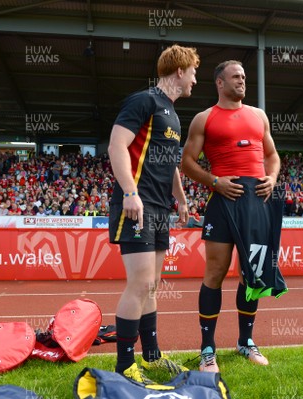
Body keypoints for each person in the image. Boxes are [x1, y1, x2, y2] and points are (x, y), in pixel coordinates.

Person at [181, 60, 287, 372]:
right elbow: (187, 162)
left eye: (243, 76)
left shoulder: (258, 116)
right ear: (219, 82)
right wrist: (215, 181)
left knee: (252, 272)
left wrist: (273, 177)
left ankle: (246, 342)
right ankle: (207, 350)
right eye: (235, 77)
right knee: (215, 272)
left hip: (258, 200)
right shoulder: (204, 119)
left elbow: (272, 155)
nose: (242, 81)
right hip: (223, 200)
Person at [108, 44, 199, 383]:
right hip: (137, 204)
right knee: (141, 283)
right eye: (193, 73)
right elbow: (116, 145)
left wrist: (181, 198)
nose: (195, 80)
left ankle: (151, 357)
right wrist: (130, 193)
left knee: (153, 287)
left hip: (160, 207)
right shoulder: (143, 101)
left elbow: (170, 163)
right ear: (179, 71)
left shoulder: (173, 113)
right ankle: (125, 367)